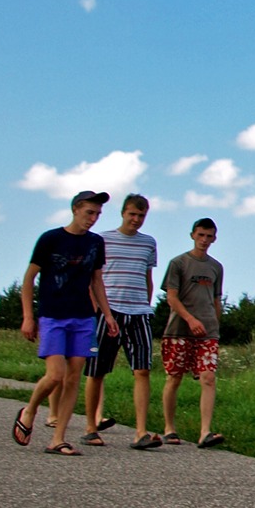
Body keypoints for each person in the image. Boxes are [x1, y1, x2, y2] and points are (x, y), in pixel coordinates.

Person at [14, 190, 121, 455]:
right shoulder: (51, 239)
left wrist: (107, 315)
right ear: (75, 209)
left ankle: (58, 439)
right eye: (89, 212)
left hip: (84, 317)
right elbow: (29, 279)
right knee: (56, 375)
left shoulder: (96, 243)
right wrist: (29, 316)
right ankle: (30, 409)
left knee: (73, 378)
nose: (93, 219)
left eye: (97, 214)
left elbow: (97, 281)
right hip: (53, 316)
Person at [83, 192, 162, 449]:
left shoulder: (148, 243)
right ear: (123, 213)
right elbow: (93, 277)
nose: (136, 219)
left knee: (142, 369)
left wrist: (147, 304)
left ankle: (140, 432)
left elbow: (147, 276)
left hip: (138, 312)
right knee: (97, 370)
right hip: (109, 310)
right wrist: (97, 308)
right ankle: (90, 427)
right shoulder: (102, 239)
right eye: (132, 214)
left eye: (141, 215)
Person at [160, 217, 226, 448]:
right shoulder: (178, 263)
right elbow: (171, 297)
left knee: (208, 378)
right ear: (192, 235)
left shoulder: (216, 267)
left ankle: (205, 431)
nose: (204, 240)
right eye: (201, 235)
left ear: (214, 238)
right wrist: (190, 319)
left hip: (207, 332)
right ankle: (169, 428)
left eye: (209, 236)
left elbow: (216, 299)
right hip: (179, 329)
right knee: (174, 377)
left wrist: (215, 325)